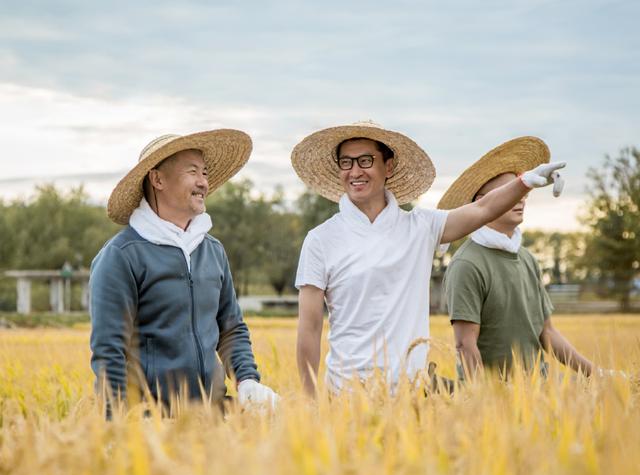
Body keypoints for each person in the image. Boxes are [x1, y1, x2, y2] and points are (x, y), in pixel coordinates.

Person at [292, 122, 565, 397]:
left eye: (365, 160)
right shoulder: (321, 240)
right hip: (346, 395)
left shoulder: (421, 227)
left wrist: (524, 183)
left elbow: (483, 209)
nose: (355, 171)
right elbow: (310, 327)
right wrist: (310, 399)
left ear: (388, 166)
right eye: (346, 162)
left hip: (412, 395)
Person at [90, 130, 279, 415]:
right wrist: (117, 423)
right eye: (193, 172)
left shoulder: (212, 250)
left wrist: (247, 380)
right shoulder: (122, 256)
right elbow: (109, 351)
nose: (204, 182)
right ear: (158, 179)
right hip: (150, 421)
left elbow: (231, 328)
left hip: (213, 415)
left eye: (204, 172)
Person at [439, 136, 620, 380]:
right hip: (492, 397)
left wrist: (599, 375)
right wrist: (480, 402)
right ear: (484, 202)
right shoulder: (466, 265)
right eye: (510, 192)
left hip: (537, 392)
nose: (521, 197)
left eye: (522, 191)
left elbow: (547, 333)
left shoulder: (527, 259)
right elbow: (465, 345)